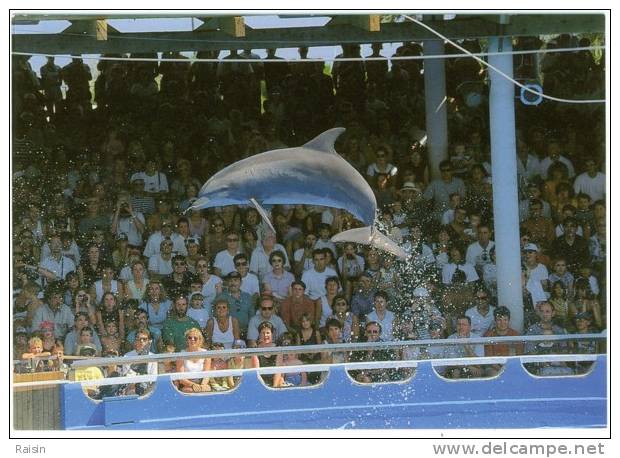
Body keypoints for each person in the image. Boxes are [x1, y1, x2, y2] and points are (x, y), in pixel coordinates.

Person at [525, 301, 573, 376]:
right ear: (538, 313)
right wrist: (542, 360)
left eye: (547, 311)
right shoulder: (532, 330)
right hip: (537, 367)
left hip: (557, 365)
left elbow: (564, 350)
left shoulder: (558, 330)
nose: (544, 314)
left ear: (553, 313)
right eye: (542, 311)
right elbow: (529, 351)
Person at [483, 306, 523, 377]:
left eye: (505, 320)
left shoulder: (515, 335)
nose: (502, 323)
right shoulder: (488, 335)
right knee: (493, 374)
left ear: (509, 320)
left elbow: (517, 357)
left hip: (511, 366)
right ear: (495, 321)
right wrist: (503, 371)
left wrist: (508, 370)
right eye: (499, 320)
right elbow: (490, 360)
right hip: (493, 367)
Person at [121, 328, 158, 396]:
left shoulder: (153, 357)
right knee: (131, 389)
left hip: (147, 385)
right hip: (132, 384)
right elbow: (126, 376)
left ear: (148, 341)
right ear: (135, 341)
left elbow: (153, 378)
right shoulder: (127, 356)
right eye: (139, 339)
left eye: (144, 339)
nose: (141, 341)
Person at [217, 271, 254, 337]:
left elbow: (252, 316)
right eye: (230, 281)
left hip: (246, 332)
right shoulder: (221, 297)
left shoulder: (247, 297)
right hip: (228, 333)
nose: (233, 283)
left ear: (241, 282)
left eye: (235, 280)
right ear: (227, 283)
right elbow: (216, 316)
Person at [175, 327, 212, 393]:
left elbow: (207, 374)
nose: (192, 339)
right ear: (187, 340)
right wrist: (193, 385)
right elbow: (181, 378)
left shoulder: (206, 353)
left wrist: (202, 385)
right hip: (187, 384)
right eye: (190, 338)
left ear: (200, 340)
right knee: (189, 390)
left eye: (195, 338)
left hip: (201, 382)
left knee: (207, 388)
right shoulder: (181, 354)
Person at [254, 321, 284, 388]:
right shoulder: (255, 350)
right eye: (263, 333)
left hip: (275, 382)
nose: (265, 335)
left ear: (272, 334)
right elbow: (257, 372)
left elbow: (278, 370)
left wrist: (274, 387)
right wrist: (263, 387)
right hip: (261, 383)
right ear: (259, 335)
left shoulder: (278, 349)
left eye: (268, 333)